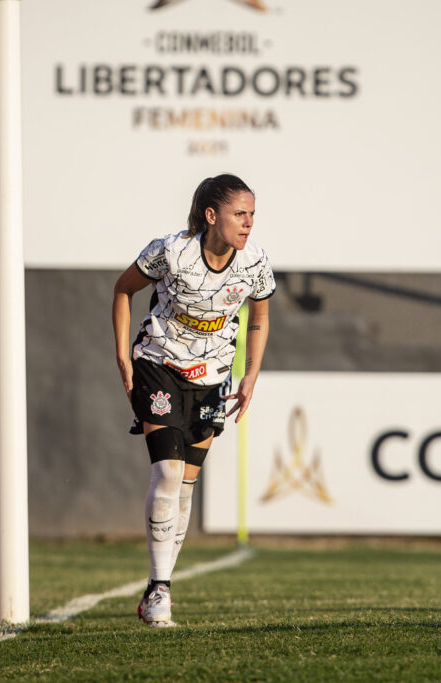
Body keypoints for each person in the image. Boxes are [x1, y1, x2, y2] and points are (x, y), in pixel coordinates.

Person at [112, 174, 275, 627]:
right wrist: (123, 355)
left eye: (252, 215)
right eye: (239, 214)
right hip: (157, 362)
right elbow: (123, 290)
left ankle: (155, 587)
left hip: (213, 376)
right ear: (211, 216)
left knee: (185, 485)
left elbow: (259, 317)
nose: (248, 224)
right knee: (166, 472)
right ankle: (161, 589)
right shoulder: (171, 251)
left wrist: (250, 375)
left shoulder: (256, 261)